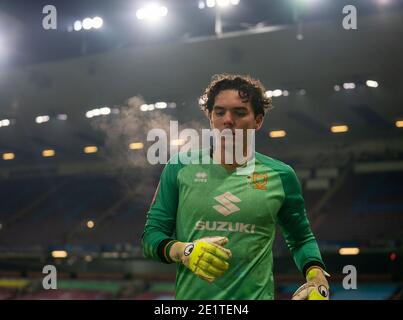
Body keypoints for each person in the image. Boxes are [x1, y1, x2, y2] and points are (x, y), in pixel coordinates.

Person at [141, 73, 330, 300]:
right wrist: (184, 251)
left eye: (239, 112)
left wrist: (316, 276)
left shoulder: (281, 176)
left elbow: (301, 239)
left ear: (258, 120)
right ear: (210, 118)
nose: (228, 120)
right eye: (219, 112)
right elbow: (151, 237)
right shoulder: (179, 167)